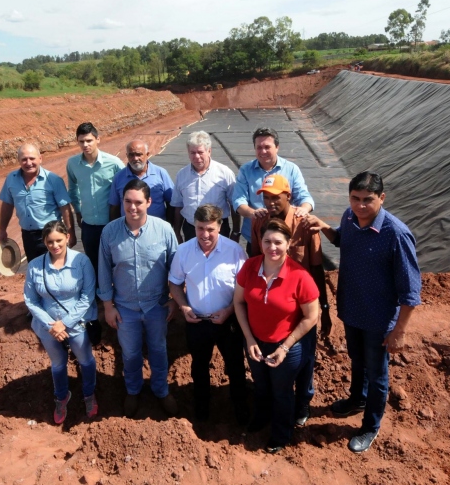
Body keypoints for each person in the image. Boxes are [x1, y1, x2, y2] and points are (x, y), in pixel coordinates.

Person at [304, 172, 422, 453]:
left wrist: (399, 330)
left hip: (378, 319)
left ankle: (370, 426)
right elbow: (341, 240)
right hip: (352, 309)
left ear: (382, 198)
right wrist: (324, 227)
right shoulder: (349, 217)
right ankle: (357, 399)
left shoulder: (396, 234)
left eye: (367, 199)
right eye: (355, 198)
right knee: (357, 360)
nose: (360, 205)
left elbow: (410, 292)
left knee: (377, 373)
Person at [250, 174, 332, 427]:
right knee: (267, 354)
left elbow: (316, 268)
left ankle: (303, 401)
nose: (270, 202)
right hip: (273, 302)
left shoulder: (304, 224)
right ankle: (272, 402)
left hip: (302, 304)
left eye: (276, 197)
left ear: (288, 196)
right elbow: (255, 261)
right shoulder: (259, 222)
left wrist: (324, 308)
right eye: (266, 197)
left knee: (305, 357)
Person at [233, 218, 320, 454]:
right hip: (255, 342)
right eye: (267, 241)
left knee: (282, 391)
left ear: (288, 244)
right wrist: (249, 339)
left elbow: (311, 317)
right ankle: (262, 417)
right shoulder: (250, 267)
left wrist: (284, 347)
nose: (272, 247)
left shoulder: (300, 276)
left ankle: (281, 432)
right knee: (261, 385)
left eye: (278, 242)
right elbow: (238, 302)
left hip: (286, 345)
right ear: (260, 242)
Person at [98, 178, 179, 417]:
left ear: (149, 202)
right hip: (125, 308)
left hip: (157, 306)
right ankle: (133, 391)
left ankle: (161, 390)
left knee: (158, 350)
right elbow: (104, 270)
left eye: (138, 202)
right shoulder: (110, 232)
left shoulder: (164, 230)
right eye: (128, 202)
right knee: (131, 354)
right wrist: (108, 306)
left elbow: (176, 268)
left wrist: (175, 299)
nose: (132, 207)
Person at [168, 204, 249, 424]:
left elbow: (243, 289)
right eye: (200, 228)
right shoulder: (183, 251)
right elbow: (174, 283)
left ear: (220, 227)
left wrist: (229, 310)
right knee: (199, 367)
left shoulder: (235, 251)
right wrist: (184, 307)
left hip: (228, 321)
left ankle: (240, 409)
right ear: (194, 226)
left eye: (210, 229)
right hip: (197, 322)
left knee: (235, 366)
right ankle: (202, 411)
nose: (205, 234)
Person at [24, 220, 98, 424]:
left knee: (85, 359)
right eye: (50, 242)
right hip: (48, 328)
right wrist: (51, 325)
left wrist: (64, 323)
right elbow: (31, 300)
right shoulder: (35, 266)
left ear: (67, 237)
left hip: (77, 323)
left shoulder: (81, 262)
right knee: (57, 364)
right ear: (44, 242)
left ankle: (89, 394)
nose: (55, 245)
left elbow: (87, 296)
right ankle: (61, 396)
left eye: (58, 240)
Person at [232, 128, 314, 254]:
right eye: (259, 147)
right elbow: (238, 200)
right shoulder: (246, 170)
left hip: (285, 238)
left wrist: (304, 209)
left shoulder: (291, 169)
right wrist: (253, 213)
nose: (263, 151)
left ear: (277, 147)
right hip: (256, 237)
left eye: (267, 147)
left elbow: (304, 196)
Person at [66, 122, 125, 278]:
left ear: (98, 139)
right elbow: (73, 190)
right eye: (81, 141)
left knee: (115, 263)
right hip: (89, 225)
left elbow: (126, 191)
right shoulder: (73, 164)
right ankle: (98, 292)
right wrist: (78, 212)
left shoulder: (114, 163)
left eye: (89, 140)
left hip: (111, 224)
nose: (85, 145)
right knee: (93, 264)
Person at [0, 144, 74, 262]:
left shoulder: (53, 180)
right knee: (34, 268)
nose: (28, 163)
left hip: (52, 235)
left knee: (55, 267)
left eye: (32, 158)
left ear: (40, 159)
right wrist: (2, 229)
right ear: (19, 161)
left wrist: (71, 232)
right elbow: (7, 205)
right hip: (28, 237)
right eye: (24, 159)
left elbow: (65, 207)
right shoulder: (11, 179)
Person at [171, 131, 240, 243]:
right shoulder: (181, 175)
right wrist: (177, 232)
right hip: (191, 230)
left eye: (200, 152)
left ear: (209, 151)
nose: (196, 157)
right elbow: (178, 205)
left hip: (218, 230)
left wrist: (236, 232)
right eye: (192, 153)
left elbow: (234, 204)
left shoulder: (225, 173)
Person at [109, 139, 174, 222]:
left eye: (139, 154)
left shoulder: (161, 173)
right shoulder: (119, 177)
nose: (135, 158)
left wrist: (169, 225)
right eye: (131, 155)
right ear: (127, 155)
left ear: (147, 154)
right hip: (128, 227)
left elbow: (171, 202)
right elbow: (114, 206)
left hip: (156, 227)